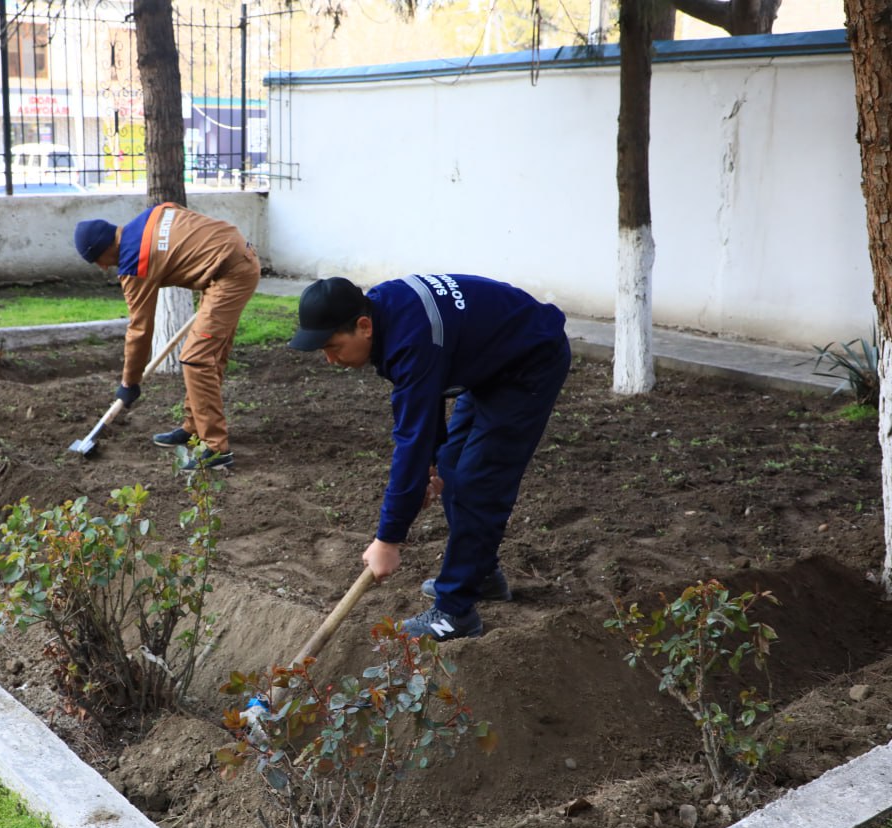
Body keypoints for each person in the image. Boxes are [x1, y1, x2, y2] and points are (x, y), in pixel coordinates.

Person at [288, 274, 570, 640]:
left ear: (363, 326)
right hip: (486, 359)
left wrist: (388, 540)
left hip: (528, 362)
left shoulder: (410, 339)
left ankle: (455, 613)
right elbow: (428, 393)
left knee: (478, 483)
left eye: (332, 346)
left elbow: (412, 438)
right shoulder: (385, 312)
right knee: (453, 468)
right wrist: (431, 465)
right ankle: (480, 574)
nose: (329, 359)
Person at [74, 204, 260, 470]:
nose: (103, 268)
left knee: (196, 358)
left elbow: (139, 330)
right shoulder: (153, 213)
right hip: (231, 260)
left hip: (230, 274)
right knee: (209, 356)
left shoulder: (133, 261)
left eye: (98, 261)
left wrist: (129, 383)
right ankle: (193, 427)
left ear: (104, 250)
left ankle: (217, 450)